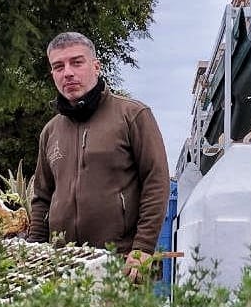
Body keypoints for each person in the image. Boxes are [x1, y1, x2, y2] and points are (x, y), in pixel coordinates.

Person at [26, 32, 169, 276]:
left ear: (96, 66)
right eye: (58, 66)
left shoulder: (132, 115)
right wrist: (34, 251)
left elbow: (156, 182)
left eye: (76, 62)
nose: (67, 72)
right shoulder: (51, 131)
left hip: (121, 262)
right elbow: (41, 196)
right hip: (62, 264)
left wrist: (142, 248)